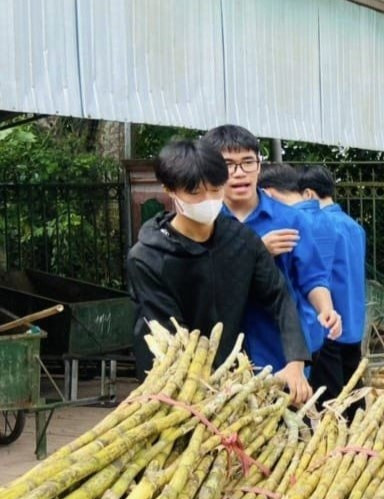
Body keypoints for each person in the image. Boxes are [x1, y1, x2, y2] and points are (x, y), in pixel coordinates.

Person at [125, 138, 311, 404]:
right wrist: (200, 391)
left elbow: (279, 297)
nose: (208, 199)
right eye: (195, 193)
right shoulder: (147, 258)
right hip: (172, 382)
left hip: (234, 376)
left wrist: (295, 362)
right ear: (170, 190)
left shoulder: (242, 240)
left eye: (215, 189)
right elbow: (168, 334)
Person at [198, 125, 340, 376]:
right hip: (219, 353)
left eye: (247, 162)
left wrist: (326, 308)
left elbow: (313, 277)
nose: (239, 173)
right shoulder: (205, 222)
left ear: (259, 165)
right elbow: (198, 278)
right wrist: (257, 252)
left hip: (281, 353)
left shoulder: (291, 220)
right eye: (229, 164)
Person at [257, 162, 348, 400]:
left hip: (299, 331)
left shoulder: (292, 221)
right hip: (325, 325)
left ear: (266, 192)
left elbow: (309, 276)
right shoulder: (336, 222)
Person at [298, 164, 367, 401]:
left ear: (308, 194)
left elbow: (315, 276)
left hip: (329, 326)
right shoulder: (354, 226)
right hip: (354, 322)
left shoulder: (317, 225)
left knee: (332, 401)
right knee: (354, 395)